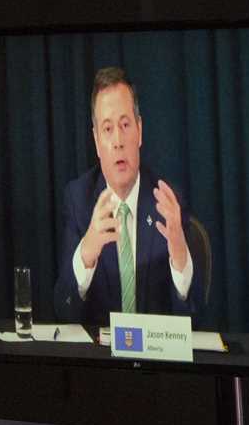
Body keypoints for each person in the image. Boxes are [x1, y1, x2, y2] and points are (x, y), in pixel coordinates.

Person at [54, 67, 196, 324]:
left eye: (125, 125)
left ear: (139, 131)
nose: (118, 140)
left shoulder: (166, 201)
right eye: (107, 129)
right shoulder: (79, 200)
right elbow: (63, 311)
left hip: (156, 358)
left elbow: (192, 318)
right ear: (97, 141)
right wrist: (87, 251)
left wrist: (179, 256)